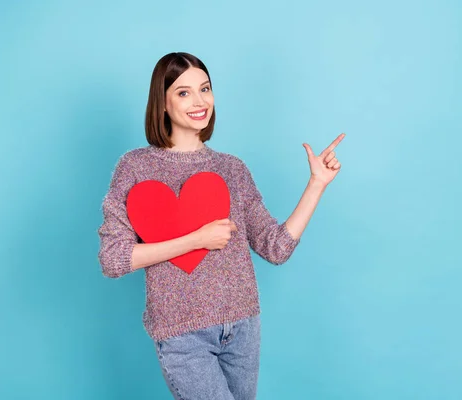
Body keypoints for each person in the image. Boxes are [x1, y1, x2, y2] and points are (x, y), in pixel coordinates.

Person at [97, 52, 344, 400]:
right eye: (183, 93)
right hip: (182, 334)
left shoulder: (232, 169)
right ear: (162, 103)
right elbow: (113, 259)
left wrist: (317, 185)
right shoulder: (136, 167)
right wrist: (195, 239)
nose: (199, 102)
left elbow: (275, 248)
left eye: (205, 89)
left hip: (243, 326)